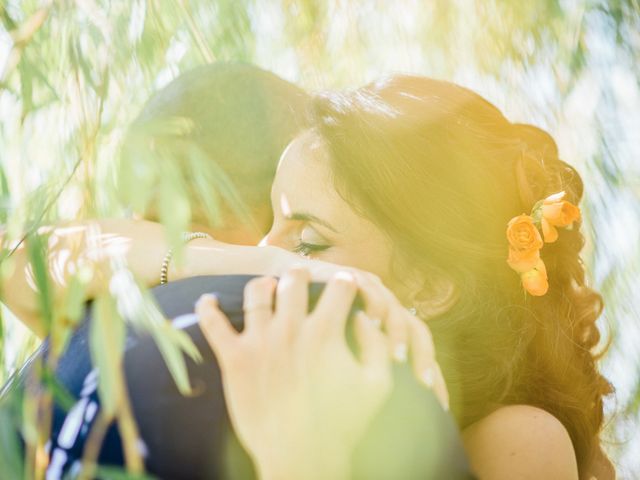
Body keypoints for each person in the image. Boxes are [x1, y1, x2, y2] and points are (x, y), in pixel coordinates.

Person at [1, 74, 614, 479]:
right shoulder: (261, 297)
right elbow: (24, 267)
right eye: (271, 223)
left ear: (430, 285)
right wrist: (261, 261)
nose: (275, 254)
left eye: (311, 239)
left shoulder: (519, 438)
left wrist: (304, 457)